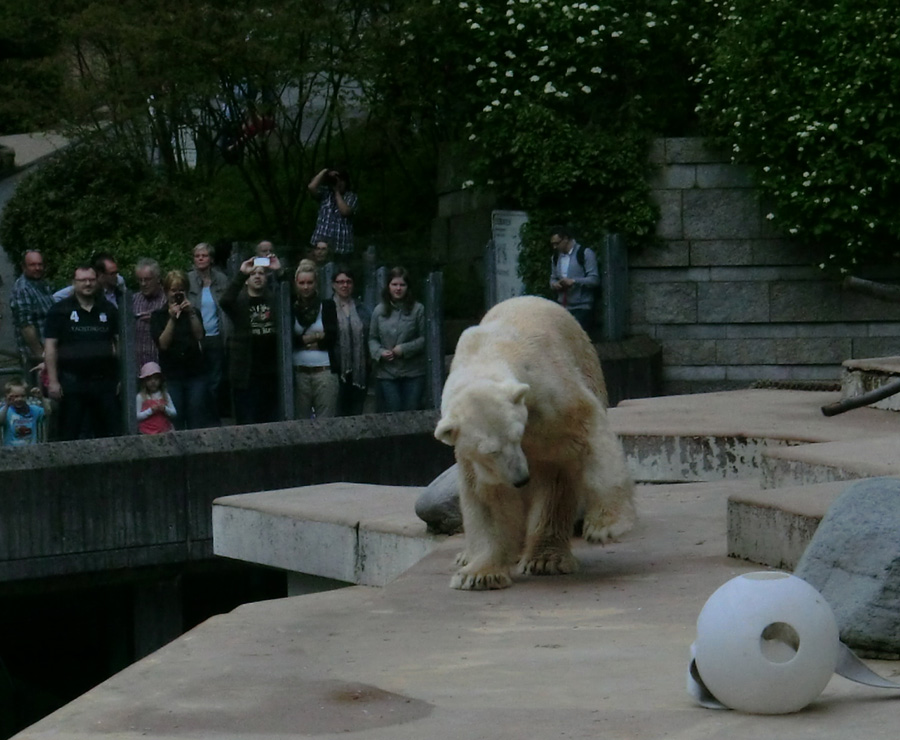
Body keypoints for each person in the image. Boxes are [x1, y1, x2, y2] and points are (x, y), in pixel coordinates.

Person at [44, 264, 120, 440]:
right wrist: (53, 381)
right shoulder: (59, 310)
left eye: (91, 280)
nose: (87, 284)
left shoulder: (108, 309)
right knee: (68, 435)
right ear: (74, 283)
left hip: (104, 383)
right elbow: (50, 347)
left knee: (110, 435)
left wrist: (121, 377)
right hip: (72, 383)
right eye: (82, 280)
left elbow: (120, 344)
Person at [220, 255, 285, 425]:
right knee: (246, 423)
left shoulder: (275, 300)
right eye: (253, 274)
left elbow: (290, 297)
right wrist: (242, 273)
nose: (257, 276)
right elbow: (225, 301)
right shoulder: (240, 301)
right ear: (247, 280)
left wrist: (279, 271)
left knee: (271, 422)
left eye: (261, 273)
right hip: (246, 375)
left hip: (271, 374)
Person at [151, 270, 208, 430]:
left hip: (195, 373)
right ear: (166, 291)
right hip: (172, 374)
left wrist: (190, 314)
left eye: (181, 290)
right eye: (173, 290)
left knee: (196, 416)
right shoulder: (158, 315)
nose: (177, 294)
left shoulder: (194, 312)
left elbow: (199, 336)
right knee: (175, 417)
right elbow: (162, 344)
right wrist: (172, 319)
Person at [369, 266, 426, 412]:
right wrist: (380, 352)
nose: (398, 288)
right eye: (394, 284)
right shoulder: (379, 311)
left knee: (411, 412)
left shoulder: (418, 309)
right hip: (387, 373)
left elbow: (424, 339)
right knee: (393, 413)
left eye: (402, 285)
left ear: (408, 287)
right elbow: (372, 338)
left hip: (413, 372)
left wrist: (404, 349)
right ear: (388, 286)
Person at [187, 242, 229, 424]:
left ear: (211, 259)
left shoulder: (222, 279)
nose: (201, 259)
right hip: (195, 338)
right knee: (198, 382)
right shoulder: (187, 279)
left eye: (204, 256)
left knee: (215, 382)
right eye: (197, 256)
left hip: (217, 337)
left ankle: (213, 420)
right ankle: (199, 419)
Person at [291, 259, 338, 419]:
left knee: (326, 422)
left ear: (316, 283)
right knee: (300, 421)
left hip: (324, 370)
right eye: (302, 282)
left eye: (310, 282)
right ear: (296, 283)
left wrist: (303, 340)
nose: (306, 287)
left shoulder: (327, 305)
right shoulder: (291, 306)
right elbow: (290, 340)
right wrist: (315, 337)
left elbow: (332, 337)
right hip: (299, 372)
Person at [331, 266, 371, 416]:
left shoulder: (363, 310)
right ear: (333, 284)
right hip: (336, 370)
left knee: (356, 412)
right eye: (340, 282)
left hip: (360, 371)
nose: (344, 285)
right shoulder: (327, 308)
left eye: (348, 281)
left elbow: (369, 336)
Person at [9, 250, 55, 371]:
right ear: (23, 267)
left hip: (51, 351)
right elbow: (26, 326)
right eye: (33, 265)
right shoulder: (22, 289)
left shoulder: (41, 283)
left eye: (40, 264)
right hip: (36, 357)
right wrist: (41, 356)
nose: (37, 268)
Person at [549, 225, 600, 333]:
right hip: (563, 306)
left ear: (566, 239)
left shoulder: (585, 253)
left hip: (582, 306)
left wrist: (574, 281)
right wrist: (555, 284)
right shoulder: (556, 257)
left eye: (557, 243)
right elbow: (552, 279)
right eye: (553, 244)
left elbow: (594, 279)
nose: (555, 247)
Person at [308, 168, 358, 257]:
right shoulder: (326, 193)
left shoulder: (351, 196)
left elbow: (345, 211)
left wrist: (336, 192)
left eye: (342, 181)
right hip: (320, 244)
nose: (339, 183)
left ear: (346, 182)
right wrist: (325, 172)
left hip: (341, 247)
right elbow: (311, 187)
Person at [53, 252, 125, 307]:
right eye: (112, 274)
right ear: (100, 274)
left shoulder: (119, 282)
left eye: (116, 272)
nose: (116, 276)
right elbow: (57, 297)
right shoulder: (88, 285)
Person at [133, 258, 168, 369]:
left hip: (161, 363)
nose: (143, 284)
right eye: (140, 280)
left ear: (157, 279)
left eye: (147, 279)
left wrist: (156, 320)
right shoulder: (132, 300)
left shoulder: (167, 300)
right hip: (137, 364)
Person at [0, 377, 46, 446]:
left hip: (31, 450)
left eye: (23, 396)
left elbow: (48, 412)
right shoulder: (6, 411)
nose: (19, 399)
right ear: (8, 396)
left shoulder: (33, 410)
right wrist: (7, 405)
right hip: (11, 451)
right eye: (15, 396)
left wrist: (41, 398)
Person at [136, 361, 177, 435]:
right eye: (149, 379)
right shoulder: (140, 397)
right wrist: (150, 411)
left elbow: (174, 413)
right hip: (145, 433)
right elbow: (137, 416)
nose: (153, 382)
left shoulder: (165, 395)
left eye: (156, 379)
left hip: (164, 432)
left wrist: (165, 409)